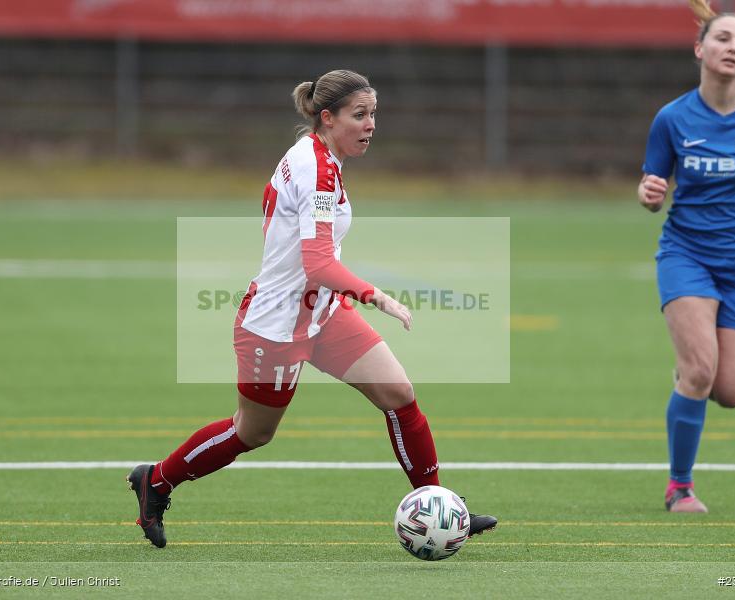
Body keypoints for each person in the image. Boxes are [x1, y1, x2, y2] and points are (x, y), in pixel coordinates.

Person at [127, 69, 498, 547]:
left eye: (373, 114)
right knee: (252, 432)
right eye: (359, 115)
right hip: (276, 326)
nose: (370, 125)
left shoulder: (319, 157)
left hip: (322, 313)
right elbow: (318, 263)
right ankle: (156, 480)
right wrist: (378, 296)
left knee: (399, 395)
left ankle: (438, 508)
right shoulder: (317, 168)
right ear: (327, 117)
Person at [638, 1, 735, 513]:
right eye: (723, 38)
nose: (733, 47)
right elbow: (653, 186)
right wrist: (649, 194)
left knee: (731, 390)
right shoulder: (672, 118)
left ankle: (690, 377)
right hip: (687, 256)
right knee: (702, 370)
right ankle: (679, 487)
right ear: (700, 49)